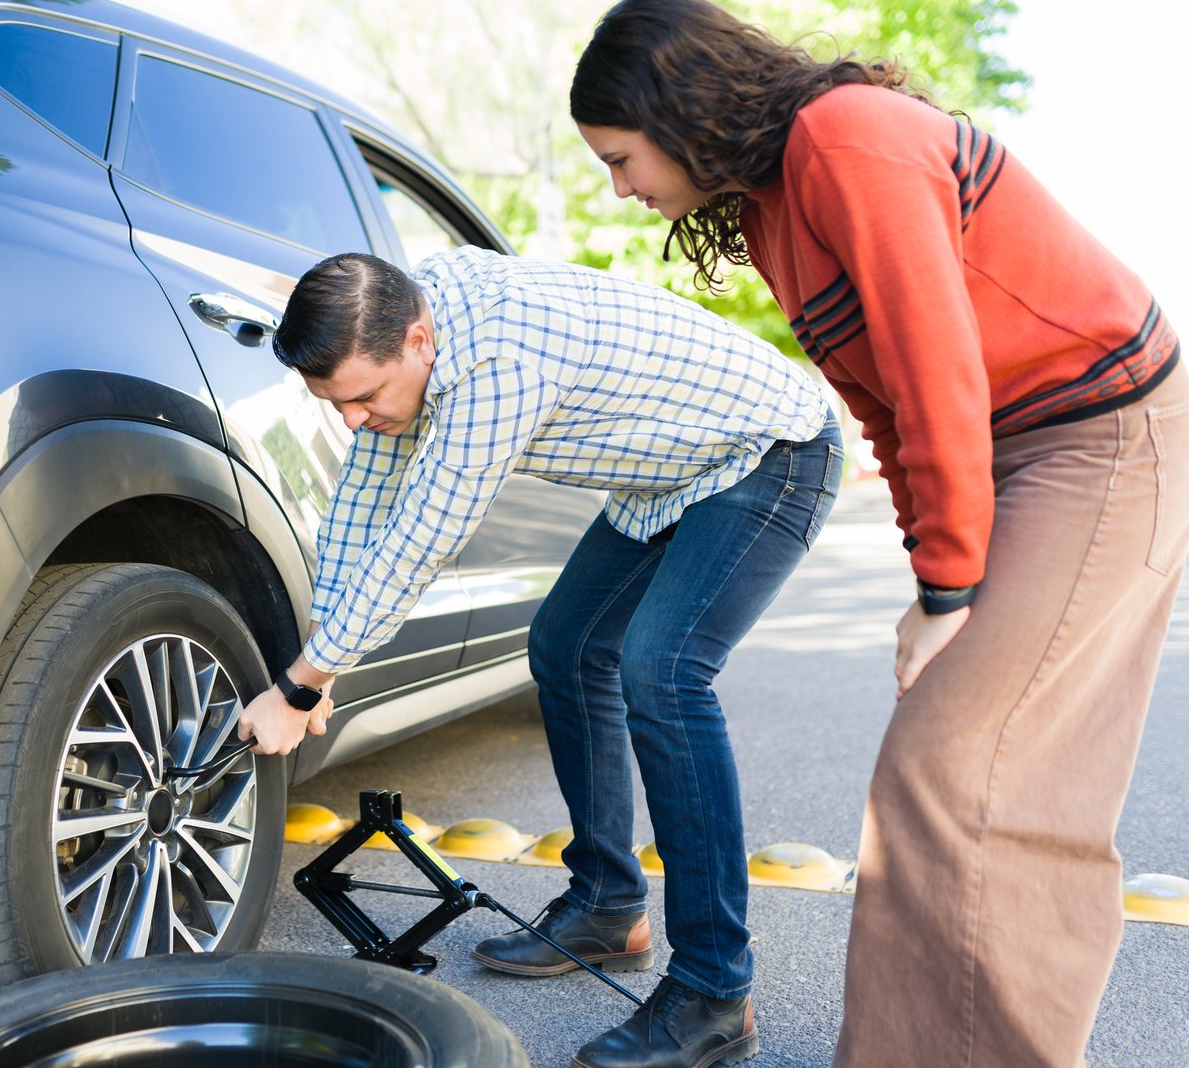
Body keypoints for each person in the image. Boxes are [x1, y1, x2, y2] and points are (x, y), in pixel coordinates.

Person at [570, 0, 1189, 1067]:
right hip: (1020, 446)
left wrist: (949, 589)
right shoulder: (766, 205)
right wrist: (931, 575)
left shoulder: (845, 137)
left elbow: (936, 367)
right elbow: (879, 402)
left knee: (956, 768)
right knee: (996, 777)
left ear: (679, 115)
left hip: (1103, 432)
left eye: (623, 158)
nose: (621, 189)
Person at [237, 246, 840, 1067]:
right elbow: (361, 507)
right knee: (566, 644)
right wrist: (319, 665)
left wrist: (300, 685)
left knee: (662, 673)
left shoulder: (498, 361)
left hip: (767, 455)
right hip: (663, 478)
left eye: (364, 398)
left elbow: (419, 542)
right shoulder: (402, 336)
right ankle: (606, 904)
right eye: (336, 404)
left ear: (417, 340)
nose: (353, 419)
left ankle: (713, 992)